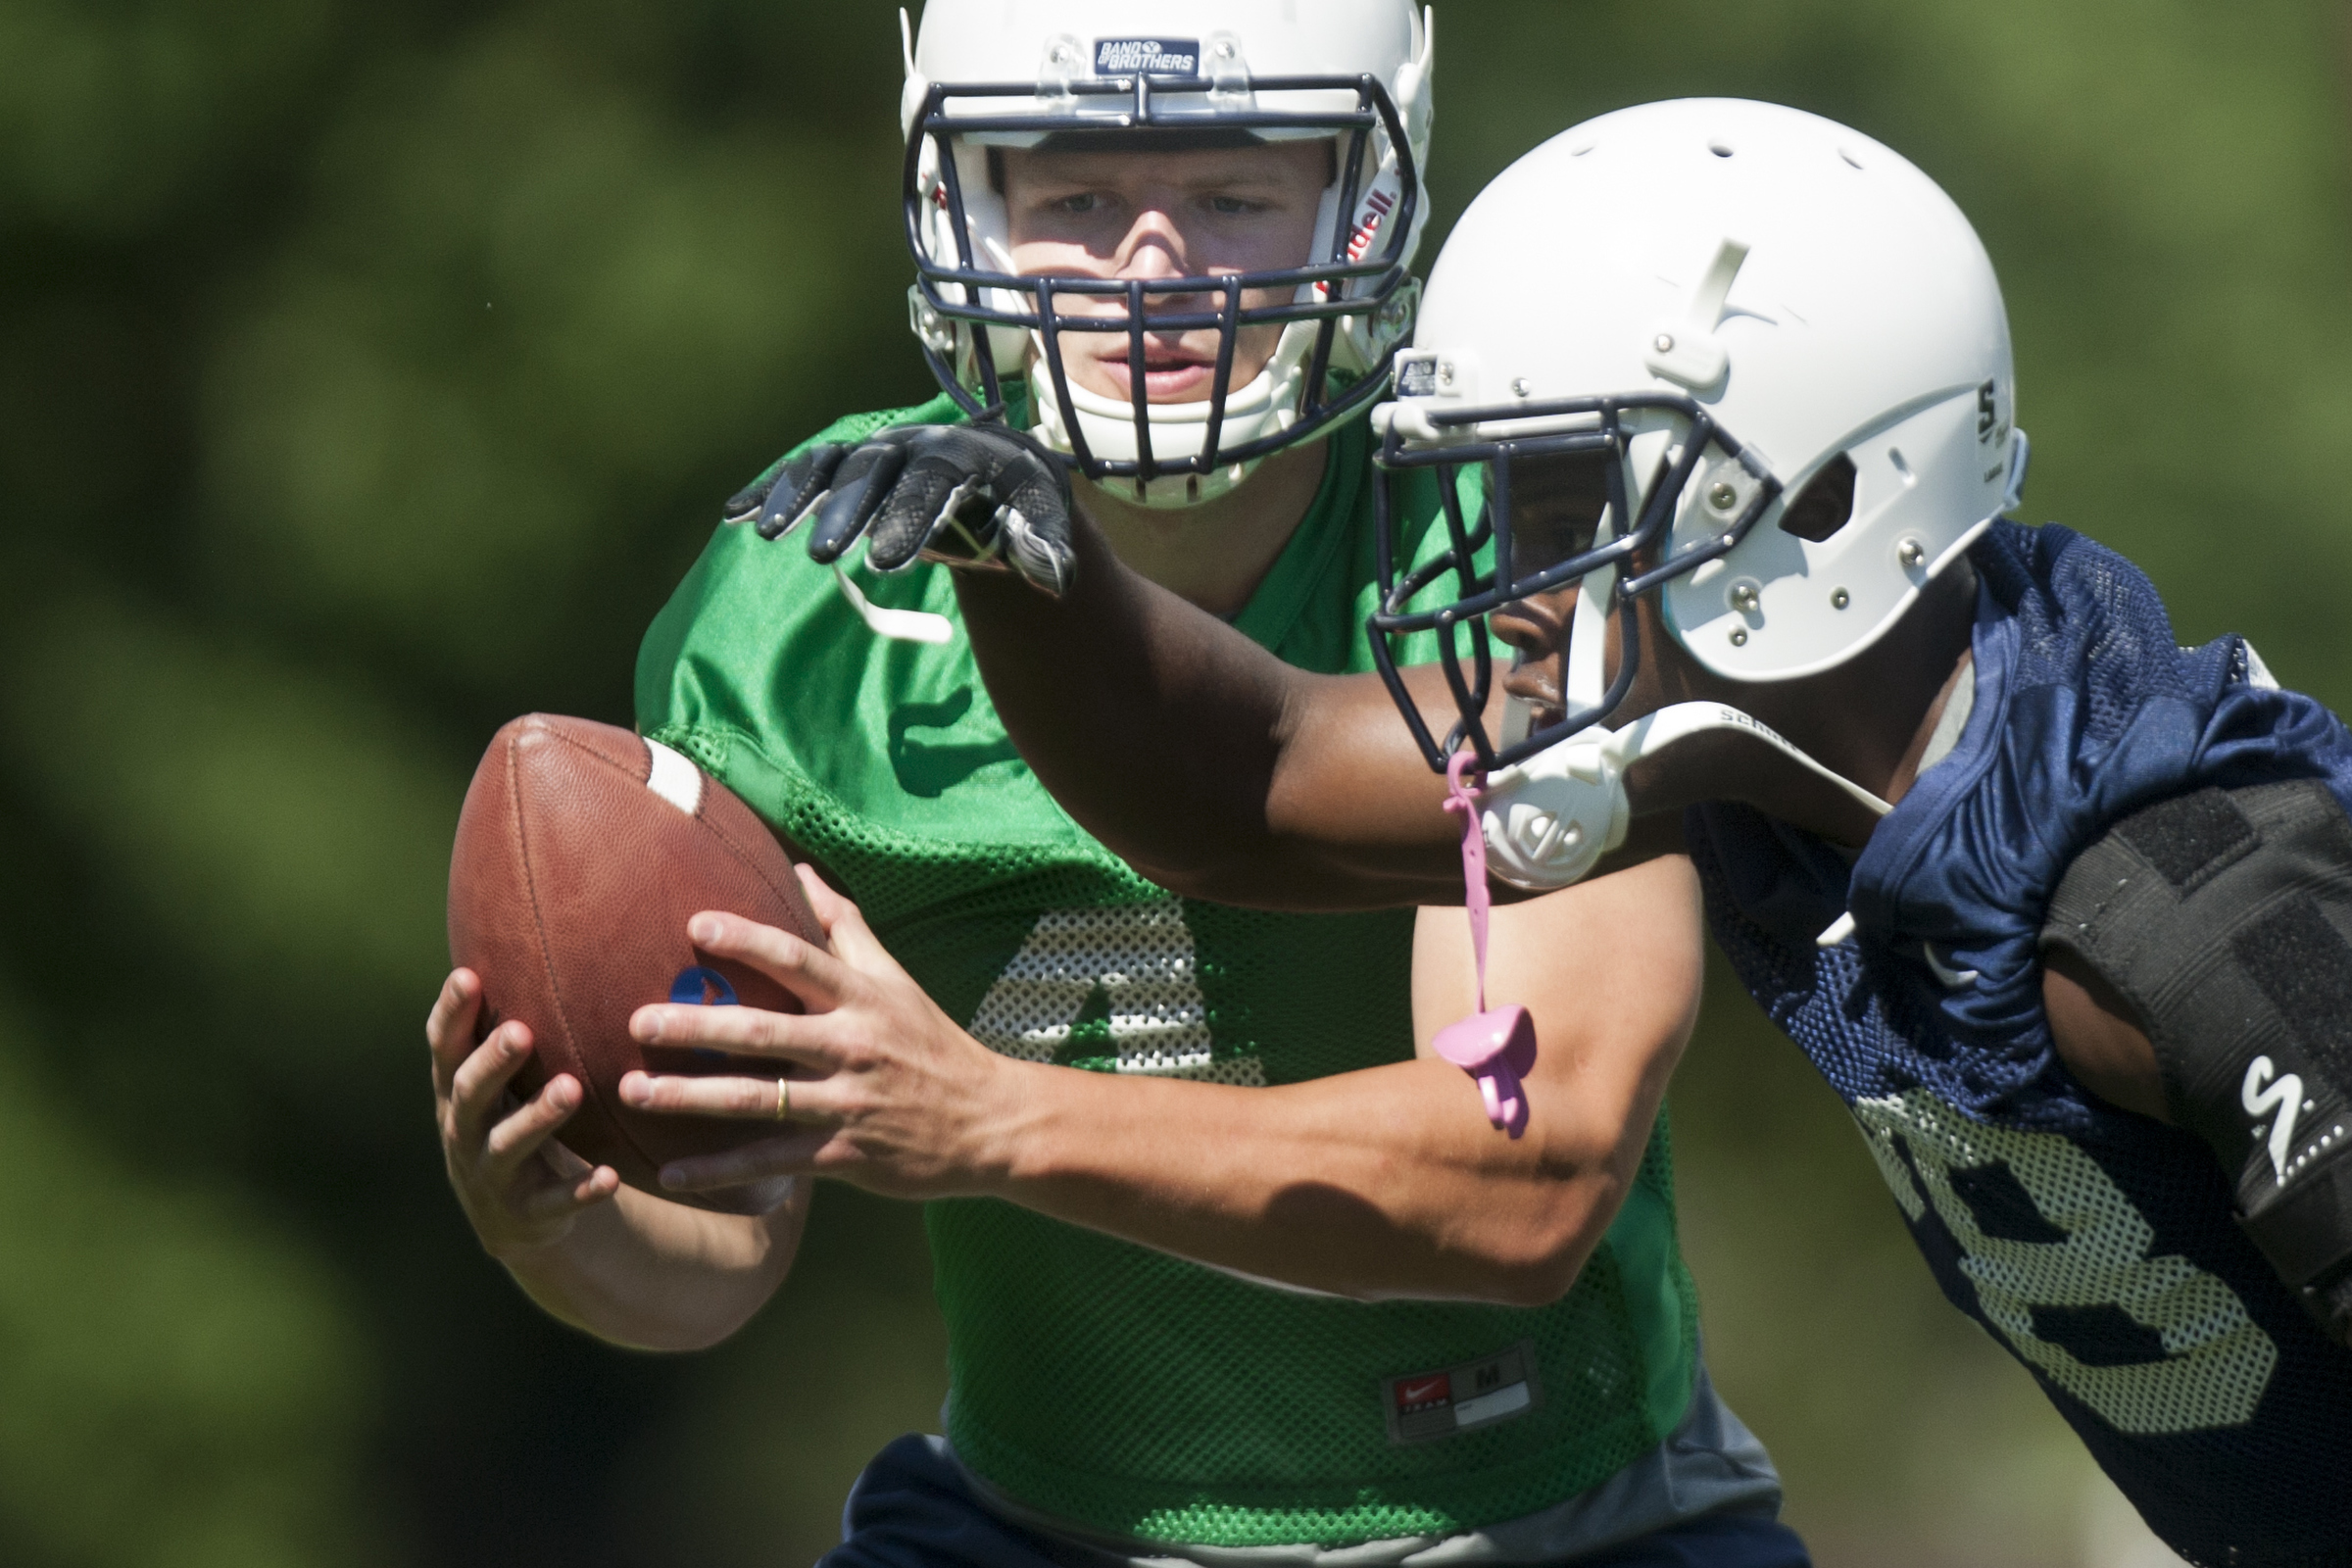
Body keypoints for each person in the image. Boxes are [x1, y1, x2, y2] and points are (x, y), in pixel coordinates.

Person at [794, 99, 2352, 1565]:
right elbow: (1247, 785)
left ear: (1815, 508)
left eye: (1559, 499)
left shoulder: (2192, 919)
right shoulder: (1765, 758)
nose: (1507, 575)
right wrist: (1021, 559)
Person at [429, 14, 1813, 1568]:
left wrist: (987, 1117)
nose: (1153, 265)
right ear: (969, 210)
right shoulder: (804, 612)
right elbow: (721, 1253)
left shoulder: (1514, 531)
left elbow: (1529, 1178)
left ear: (1365, 197)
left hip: (1553, 1525)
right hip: (1041, 1529)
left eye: (1231, 194)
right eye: (1078, 202)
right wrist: (555, 1220)